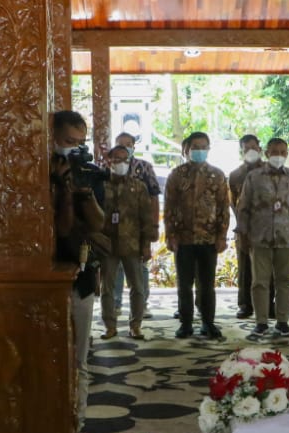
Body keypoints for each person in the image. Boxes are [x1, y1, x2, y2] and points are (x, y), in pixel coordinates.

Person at [50, 111, 108, 433]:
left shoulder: (88, 172)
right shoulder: (39, 171)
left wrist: (81, 194)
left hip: (81, 274)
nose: (74, 149)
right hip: (43, 277)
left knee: (79, 362)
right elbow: (58, 229)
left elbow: (98, 224)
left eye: (79, 143)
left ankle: (76, 431)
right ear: (54, 138)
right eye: (68, 142)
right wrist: (59, 187)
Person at [236, 137, 289, 338]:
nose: (278, 155)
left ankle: (283, 322)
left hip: (287, 238)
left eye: (282, 152)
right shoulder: (254, 177)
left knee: (284, 281)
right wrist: (242, 234)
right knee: (259, 281)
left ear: (286, 154)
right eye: (274, 151)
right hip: (259, 238)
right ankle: (261, 322)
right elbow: (243, 208)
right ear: (267, 154)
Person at [163, 131, 230, 340]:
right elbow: (169, 207)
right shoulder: (176, 175)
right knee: (184, 284)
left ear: (209, 149)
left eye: (203, 147)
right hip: (183, 239)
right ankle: (185, 323)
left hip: (208, 239)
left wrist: (222, 235)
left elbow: (223, 208)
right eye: (195, 147)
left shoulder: (218, 175)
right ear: (187, 150)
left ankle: (208, 322)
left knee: (207, 285)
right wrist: (170, 235)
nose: (199, 151)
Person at [100, 145, 158, 340]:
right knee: (106, 287)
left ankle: (136, 325)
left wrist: (147, 244)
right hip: (107, 244)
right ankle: (110, 325)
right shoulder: (101, 186)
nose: (121, 163)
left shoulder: (138, 187)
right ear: (109, 161)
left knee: (138, 287)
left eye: (125, 159)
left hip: (132, 244)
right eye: (116, 159)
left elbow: (146, 217)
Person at [228, 134, 273, 320]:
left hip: (268, 228)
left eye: (254, 147)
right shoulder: (235, 175)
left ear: (260, 149)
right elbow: (232, 202)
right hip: (245, 229)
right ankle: (245, 305)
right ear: (242, 151)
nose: (251, 151)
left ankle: (269, 305)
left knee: (268, 269)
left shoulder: (270, 171)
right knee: (245, 269)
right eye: (247, 148)